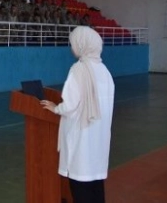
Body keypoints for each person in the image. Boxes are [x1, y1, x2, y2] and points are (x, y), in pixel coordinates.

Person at [41, 26, 115, 203]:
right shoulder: (104, 71)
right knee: (96, 184)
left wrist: (56, 108)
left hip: (82, 138)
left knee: (80, 185)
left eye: (73, 42)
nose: (71, 46)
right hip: (99, 138)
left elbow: (70, 104)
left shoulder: (79, 70)